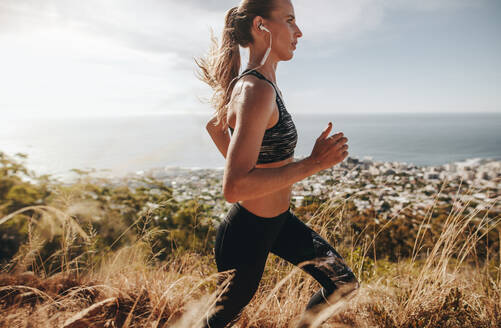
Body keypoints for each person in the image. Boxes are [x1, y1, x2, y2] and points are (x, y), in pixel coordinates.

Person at [195, 0, 359, 327]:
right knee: (221, 319)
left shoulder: (261, 84)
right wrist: (314, 163)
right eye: (289, 20)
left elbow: (216, 126)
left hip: (279, 223)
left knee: (343, 282)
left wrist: (255, 166)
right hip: (247, 233)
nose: (299, 31)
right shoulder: (255, 89)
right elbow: (235, 187)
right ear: (261, 26)